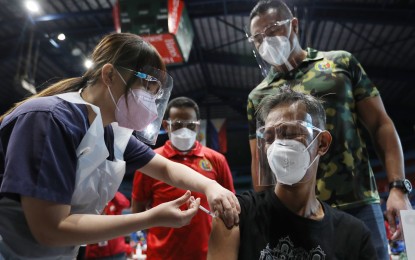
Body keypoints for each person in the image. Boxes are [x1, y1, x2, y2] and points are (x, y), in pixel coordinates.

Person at [0, 32, 240, 259]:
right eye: (146, 87)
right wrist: (150, 218)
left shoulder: (111, 133)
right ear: (110, 75)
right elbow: (50, 229)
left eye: (156, 94)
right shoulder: (49, 120)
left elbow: (166, 169)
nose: (151, 102)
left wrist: (211, 186)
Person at [245, 1, 411, 258]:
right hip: (297, 215)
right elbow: (262, 164)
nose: (265, 41)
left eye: (272, 30)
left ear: (294, 25)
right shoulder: (258, 96)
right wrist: (262, 217)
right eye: (258, 38)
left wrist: (398, 188)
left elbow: (381, 124)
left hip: (358, 203)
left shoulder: (339, 64)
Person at [208, 91, 377, 259]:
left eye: (289, 133)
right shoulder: (236, 214)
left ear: (322, 143)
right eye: (269, 138)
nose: (278, 145)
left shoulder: (354, 235)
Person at [131, 96, 236, 260]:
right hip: (162, 254)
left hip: (207, 253)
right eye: (178, 125)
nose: (184, 130)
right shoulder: (150, 162)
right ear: (166, 126)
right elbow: (137, 209)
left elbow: (231, 204)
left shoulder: (216, 160)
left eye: (190, 126)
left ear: (198, 126)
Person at [84, 192, 131, 259]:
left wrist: (111, 191)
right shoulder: (91, 202)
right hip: (96, 254)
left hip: (118, 252)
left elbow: (125, 203)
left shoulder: (113, 202)